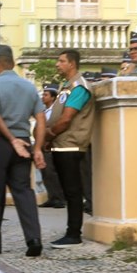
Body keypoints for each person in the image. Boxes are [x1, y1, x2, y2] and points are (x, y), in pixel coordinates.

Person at [0, 45, 46, 258]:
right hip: (24, 143)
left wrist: (10, 138)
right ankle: (34, 239)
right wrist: (38, 148)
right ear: (12, 62)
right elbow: (41, 119)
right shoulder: (29, 87)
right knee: (24, 191)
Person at [45, 49, 95, 248]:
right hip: (62, 145)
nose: (58, 64)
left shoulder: (79, 87)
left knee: (73, 192)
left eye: (61, 61)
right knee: (69, 191)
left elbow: (66, 119)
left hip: (71, 146)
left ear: (72, 64)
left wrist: (49, 134)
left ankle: (74, 234)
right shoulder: (67, 87)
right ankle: (71, 231)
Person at [39, 84, 65, 209]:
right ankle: (52, 197)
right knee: (46, 172)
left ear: (53, 97)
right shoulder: (43, 111)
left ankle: (59, 198)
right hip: (43, 144)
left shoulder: (57, 111)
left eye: (46, 95)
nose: (43, 97)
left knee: (53, 173)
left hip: (53, 143)